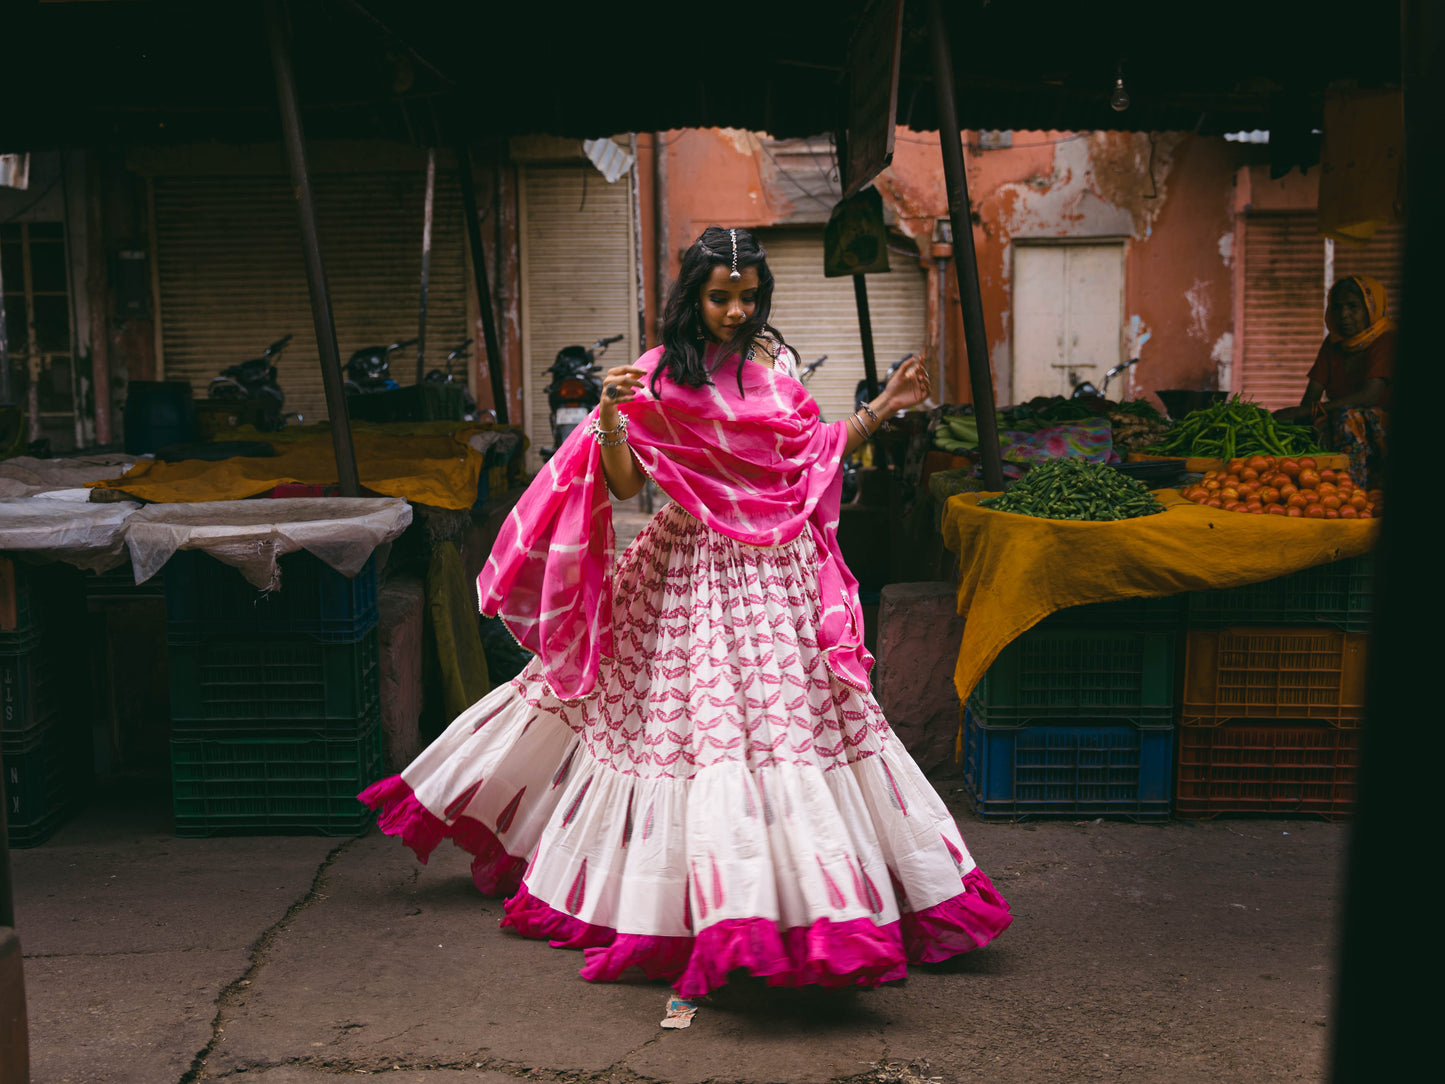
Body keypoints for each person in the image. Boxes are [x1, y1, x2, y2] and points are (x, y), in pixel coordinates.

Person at [360, 226, 1011, 999]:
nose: (735, 311)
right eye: (719, 297)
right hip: (690, 568)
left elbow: (807, 454)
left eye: (746, 297)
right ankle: (710, 904)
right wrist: (608, 415)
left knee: (791, 727)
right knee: (687, 730)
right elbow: (627, 486)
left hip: (780, 575)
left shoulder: (776, 362)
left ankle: (808, 900)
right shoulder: (657, 375)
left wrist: (883, 410)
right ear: (691, 298)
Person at [1274, 274, 1394, 489]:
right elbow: (1311, 397)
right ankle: (1316, 489)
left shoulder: (1387, 339)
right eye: (1337, 307)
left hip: (1380, 425)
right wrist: (1298, 417)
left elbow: (1370, 395)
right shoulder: (1333, 344)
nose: (1344, 315)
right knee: (1304, 425)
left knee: (1348, 417)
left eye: (1353, 307)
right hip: (1340, 420)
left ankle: (1352, 491)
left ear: (1371, 308)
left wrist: (1308, 411)